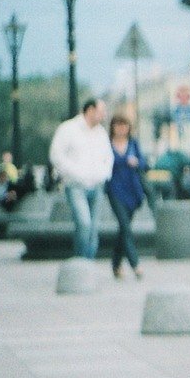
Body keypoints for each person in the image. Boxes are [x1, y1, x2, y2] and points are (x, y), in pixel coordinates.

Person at [49, 99, 113, 259]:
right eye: (101, 111)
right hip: (76, 185)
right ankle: (80, 262)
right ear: (90, 110)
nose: (104, 115)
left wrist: (104, 174)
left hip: (97, 185)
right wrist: (73, 172)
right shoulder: (68, 128)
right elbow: (56, 155)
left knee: (93, 228)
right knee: (84, 223)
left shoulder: (101, 133)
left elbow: (108, 156)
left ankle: (87, 265)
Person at [105, 113, 148, 280]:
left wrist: (136, 162)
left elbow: (144, 163)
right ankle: (135, 264)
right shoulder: (107, 144)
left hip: (132, 190)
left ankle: (116, 263)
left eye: (124, 125)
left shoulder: (133, 143)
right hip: (115, 189)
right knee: (125, 226)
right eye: (118, 125)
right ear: (113, 127)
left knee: (123, 229)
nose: (121, 129)